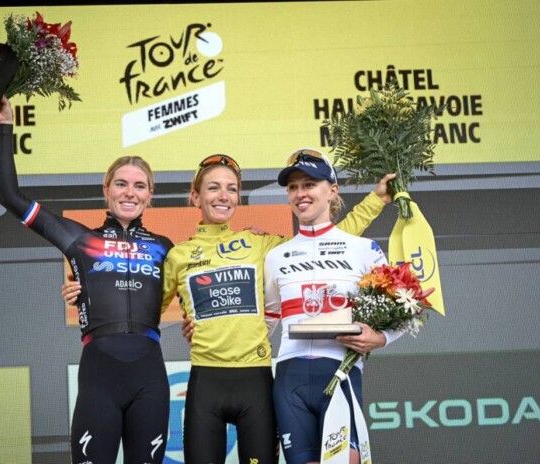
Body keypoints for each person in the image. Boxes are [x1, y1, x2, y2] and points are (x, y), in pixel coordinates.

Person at [62, 153, 395, 462]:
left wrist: (376, 200)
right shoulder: (177, 255)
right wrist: (89, 291)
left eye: (231, 189)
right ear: (195, 196)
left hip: (256, 382)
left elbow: (326, 242)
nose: (223, 196)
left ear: (238, 197)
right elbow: (140, 307)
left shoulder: (260, 243)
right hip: (206, 382)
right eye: (213, 188)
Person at [0, 92, 173, 464]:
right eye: (121, 183)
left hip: (150, 376)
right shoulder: (79, 239)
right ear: (106, 190)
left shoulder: (166, 247)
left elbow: (203, 291)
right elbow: (9, 196)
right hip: (100, 375)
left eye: (139, 186)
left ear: (150, 195)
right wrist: (5, 127)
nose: (130, 192)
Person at [264, 149, 403, 464]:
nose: (300, 193)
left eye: (309, 184)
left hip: (340, 372)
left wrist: (380, 338)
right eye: (293, 187)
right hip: (289, 378)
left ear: (332, 190)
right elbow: (266, 321)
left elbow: (405, 309)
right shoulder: (276, 256)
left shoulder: (363, 249)